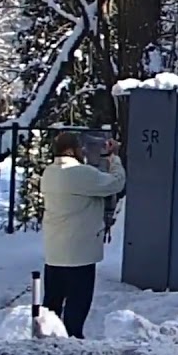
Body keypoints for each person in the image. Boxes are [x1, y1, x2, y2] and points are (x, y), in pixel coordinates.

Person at [40, 132, 126, 338]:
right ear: (71, 150)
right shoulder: (80, 173)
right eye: (81, 148)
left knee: (52, 302)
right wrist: (113, 158)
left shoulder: (49, 173)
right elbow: (115, 183)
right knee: (77, 303)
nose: (84, 152)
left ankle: (46, 339)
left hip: (54, 251)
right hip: (80, 252)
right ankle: (73, 339)